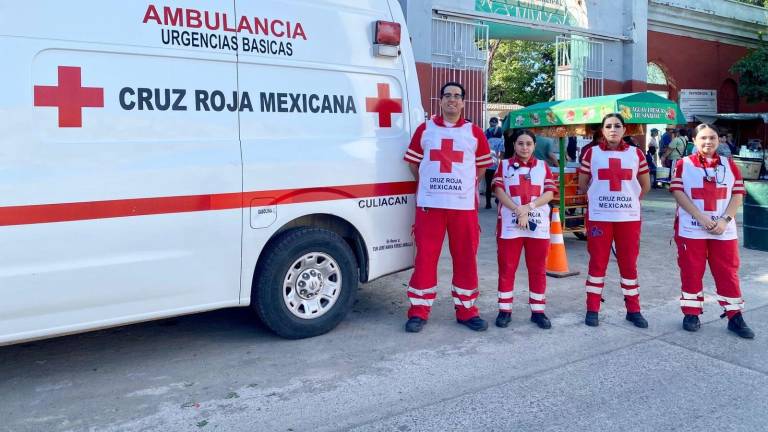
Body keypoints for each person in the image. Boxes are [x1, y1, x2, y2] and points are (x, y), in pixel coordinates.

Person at [402, 81, 493, 333]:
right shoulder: (425, 130)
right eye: (447, 95)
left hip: (462, 208)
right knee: (425, 258)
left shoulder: (474, 133)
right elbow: (413, 164)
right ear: (440, 101)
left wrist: (465, 185)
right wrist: (428, 184)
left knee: (466, 259)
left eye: (457, 96)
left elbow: (482, 168)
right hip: (430, 207)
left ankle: (467, 311)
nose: (452, 100)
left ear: (463, 102)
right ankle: (418, 310)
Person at [669, 123, 754, 338]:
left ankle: (735, 316)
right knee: (691, 270)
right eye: (703, 138)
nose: (708, 142)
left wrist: (725, 220)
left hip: (723, 230)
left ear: (719, 140)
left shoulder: (730, 164)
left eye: (712, 138)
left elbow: (737, 194)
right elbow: (678, 192)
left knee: (727, 272)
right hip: (692, 228)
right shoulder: (683, 164)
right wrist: (701, 218)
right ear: (694, 141)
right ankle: (691, 313)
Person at [578, 113, 651, 328]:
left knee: (629, 264)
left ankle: (633, 310)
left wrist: (627, 202)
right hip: (599, 217)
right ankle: (592, 309)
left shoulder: (636, 154)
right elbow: (583, 184)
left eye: (617, 126)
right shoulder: (591, 153)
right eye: (608, 126)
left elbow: (645, 185)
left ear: (624, 130)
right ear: (602, 130)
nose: (613, 129)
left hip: (628, 218)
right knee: (597, 262)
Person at [492, 130, 556, 330]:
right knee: (507, 267)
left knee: (537, 269)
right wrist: (517, 210)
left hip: (537, 226)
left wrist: (528, 208)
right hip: (510, 226)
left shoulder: (543, 167)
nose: (525, 147)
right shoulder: (503, 166)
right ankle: (505, 310)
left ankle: (538, 311)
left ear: (534, 146)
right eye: (521, 143)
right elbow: (498, 190)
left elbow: (550, 193)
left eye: (529, 143)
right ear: (514, 145)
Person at [484, 118, 506, 209]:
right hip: (497, 165)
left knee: (488, 184)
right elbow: (502, 154)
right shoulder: (501, 141)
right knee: (497, 185)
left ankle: (488, 203)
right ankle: (497, 202)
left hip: (487, 164)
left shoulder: (487, 140)